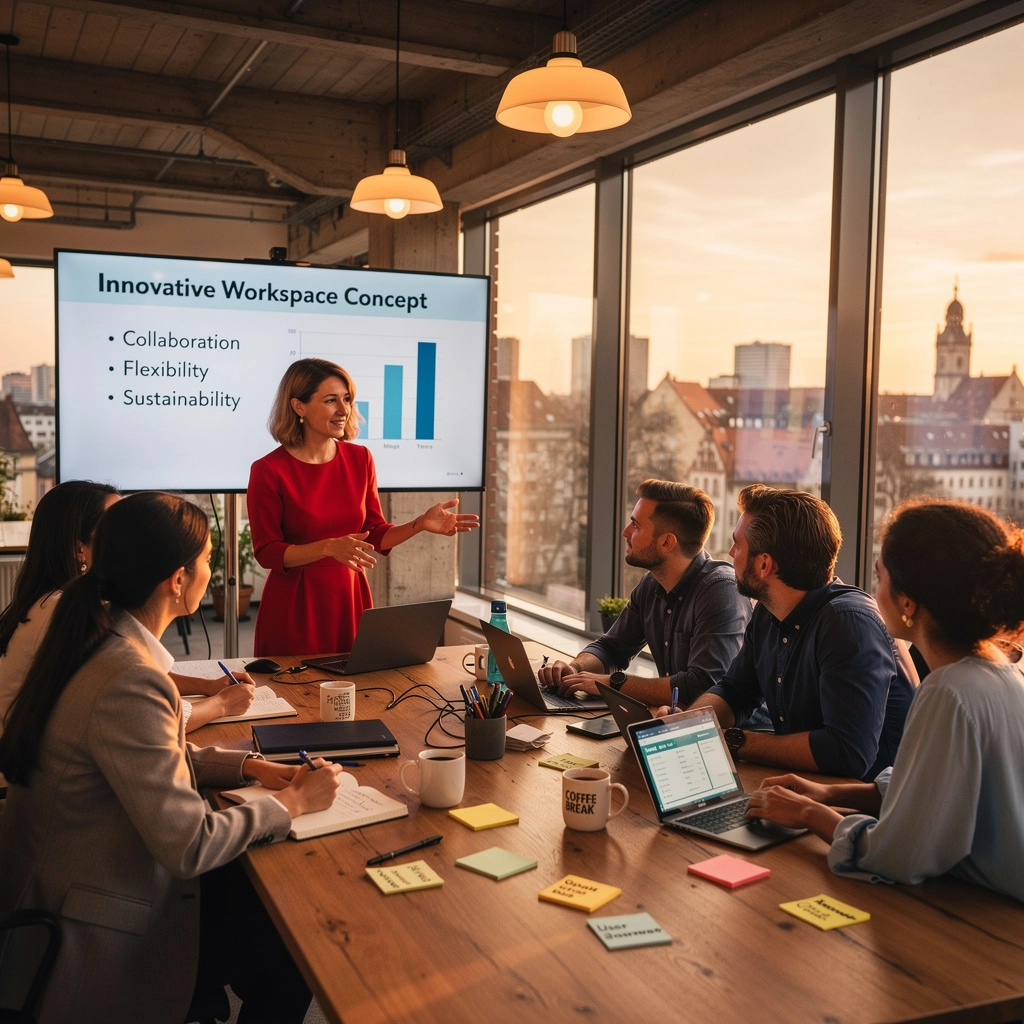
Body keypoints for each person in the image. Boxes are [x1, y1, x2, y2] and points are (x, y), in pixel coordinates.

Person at [0, 492, 342, 1024]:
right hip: (94, 929)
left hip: (74, 882)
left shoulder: (97, 639)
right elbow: (190, 845)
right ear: (177, 580)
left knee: (269, 903)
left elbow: (143, 758)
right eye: (207, 560)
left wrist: (247, 767)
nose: (212, 571)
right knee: (302, 927)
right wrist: (293, 801)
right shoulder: (129, 677)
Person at [745, 500, 1024, 901]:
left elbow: (897, 856)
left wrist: (807, 813)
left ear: (908, 602)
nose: (872, 591)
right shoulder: (998, 673)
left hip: (983, 917)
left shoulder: (947, 692)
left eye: (879, 576)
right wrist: (829, 794)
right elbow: (929, 787)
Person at [676, 484, 915, 781]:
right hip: (802, 789)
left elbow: (847, 753)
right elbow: (735, 691)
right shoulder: (770, 610)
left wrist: (730, 741)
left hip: (860, 804)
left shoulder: (848, 624)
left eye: (737, 544)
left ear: (764, 564)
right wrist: (689, 727)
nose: (731, 552)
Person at [248, 358, 479, 658]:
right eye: (331, 400)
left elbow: (375, 534)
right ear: (298, 406)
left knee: (356, 683)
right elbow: (267, 551)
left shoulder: (361, 459)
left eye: (347, 399)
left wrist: (420, 523)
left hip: (350, 598)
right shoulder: (268, 470)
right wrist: (328, 547)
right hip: (296, 604)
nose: (344, 410)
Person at [0, 481, 254, 745]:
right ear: (79, 549)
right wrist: (221, 704)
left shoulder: (63, 601)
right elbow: (149, 716)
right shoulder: (62, 613)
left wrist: (208, 686)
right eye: (114, 529)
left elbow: (132, 673)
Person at [539, 480, 751, 706]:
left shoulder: (721, 591)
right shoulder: (652, 583)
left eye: (636, 525)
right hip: (677, 718)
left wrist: (612, 683)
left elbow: (702, 686)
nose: (625, 532)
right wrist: (574, 670)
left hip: (736, 727)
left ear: (667, 542)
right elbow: (611, 649)